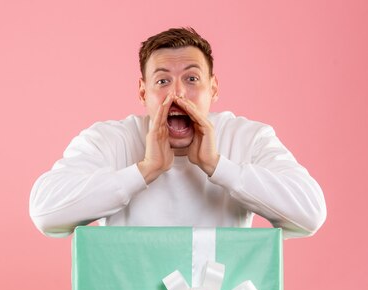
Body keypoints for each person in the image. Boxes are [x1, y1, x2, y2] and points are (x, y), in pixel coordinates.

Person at [29, 27, 326, 239]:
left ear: (214, 88)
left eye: (192, 78)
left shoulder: (249, 137)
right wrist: (145, 170)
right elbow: (46, 212)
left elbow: (309, 215)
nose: (177, 93)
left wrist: (218, 166)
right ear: (143, 91)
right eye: (162, 81)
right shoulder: (108, 139)